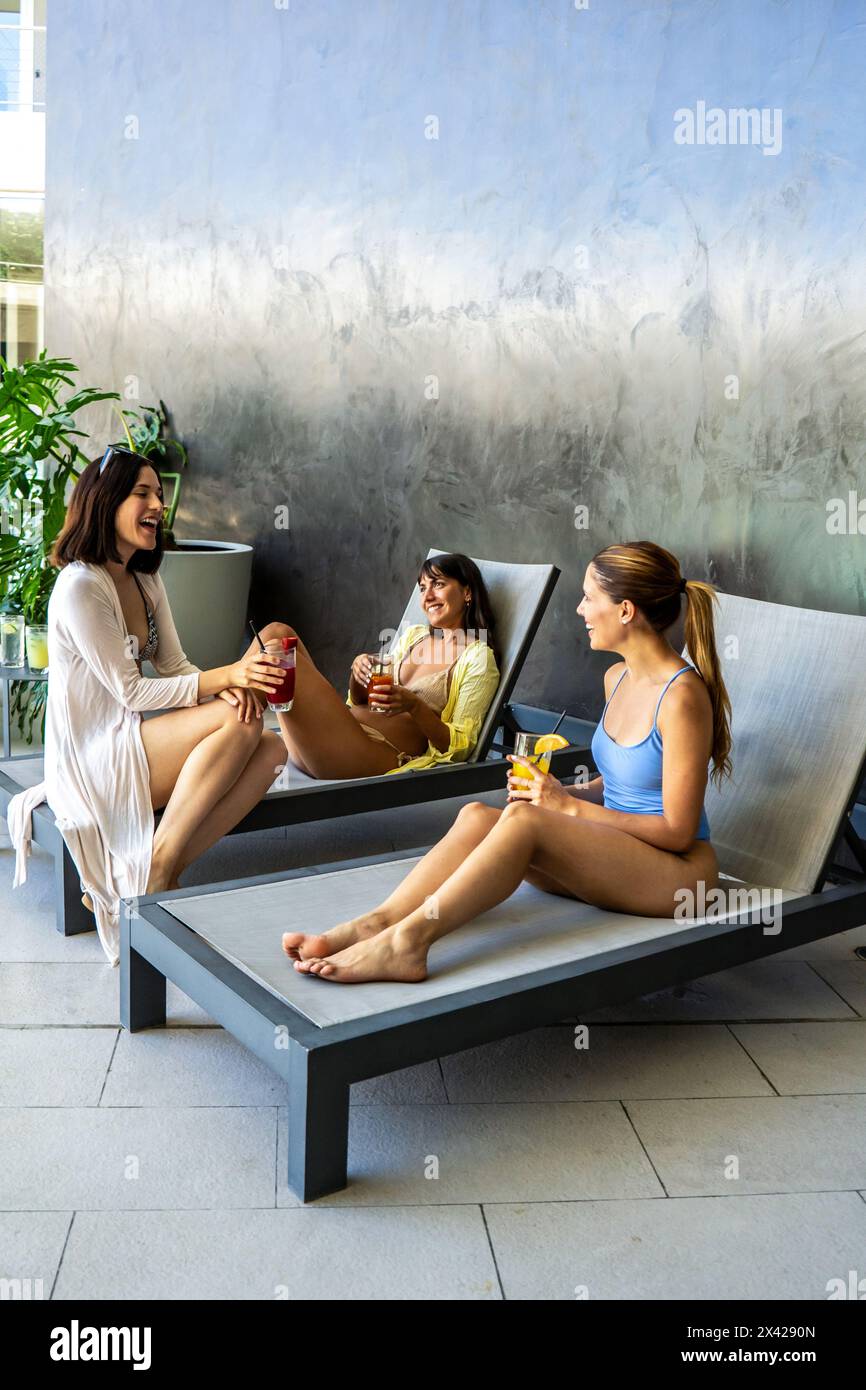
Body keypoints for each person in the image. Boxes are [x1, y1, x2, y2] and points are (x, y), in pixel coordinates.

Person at [281, 540, 733, 984]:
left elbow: (676, 830)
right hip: (612, 852)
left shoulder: (682, 697)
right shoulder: (616, 677)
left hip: (676, 876)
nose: (579, 610)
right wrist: (569, 792)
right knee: (477, 815)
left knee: (524, 821)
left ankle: (408, 945)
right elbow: (620, 782)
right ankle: (377, 924)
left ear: (626, 610)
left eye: (588, 597)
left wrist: (566, 808)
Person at [7, 446, 287, 965]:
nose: (158, 504)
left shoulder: (145, 577)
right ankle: (156, 875)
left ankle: (160, 866)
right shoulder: (80, 586)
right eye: (142, 493)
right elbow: (131, 692)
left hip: (127, 738)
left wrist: (227, 685)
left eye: (159, 494)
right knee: (239, 717)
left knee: (270, 747)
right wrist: (227, 678)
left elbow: (177, 667)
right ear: (105, 501)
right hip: (90, 756)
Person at [249, 553, 501, 781]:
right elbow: (359, 701)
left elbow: (462, 748)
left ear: (467, 592)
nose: (427, 597)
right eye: (423, 588)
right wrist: (358, 674)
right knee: (277, 632)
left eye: (438, 584)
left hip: (369, 751)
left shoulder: (477, 658)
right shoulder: (415, 636)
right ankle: (230, 718)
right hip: (335, 733)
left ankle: (227, 719)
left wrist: (414, 705)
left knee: (280, 654)